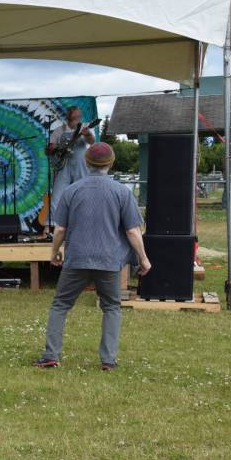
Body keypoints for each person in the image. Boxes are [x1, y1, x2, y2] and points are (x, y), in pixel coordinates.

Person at [33, 142, 151, 371]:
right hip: (109, 260)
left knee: (60, 305)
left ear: (86, 162)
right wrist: (144, 259)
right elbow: (132, 231)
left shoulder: (71, 191)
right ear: (111, 163)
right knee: (111, 307)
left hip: (76, 258)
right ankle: (108, 360)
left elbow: (60, 229)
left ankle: (51, 355)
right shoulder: (122, 192)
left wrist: (54, 252)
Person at [47, 106, 95, 215]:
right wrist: (53, 149)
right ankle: (53, 223)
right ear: (68, 116)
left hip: (80, 166)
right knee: (56, 198)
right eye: (72, 116)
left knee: (83, 194)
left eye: (77, 116)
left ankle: (85, 219)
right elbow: (50, 148)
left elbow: (92, 141)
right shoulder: (59, 130)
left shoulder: (86, 127)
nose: (75, 118)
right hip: (63, 166)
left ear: (80, 116)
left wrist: (88, 134)